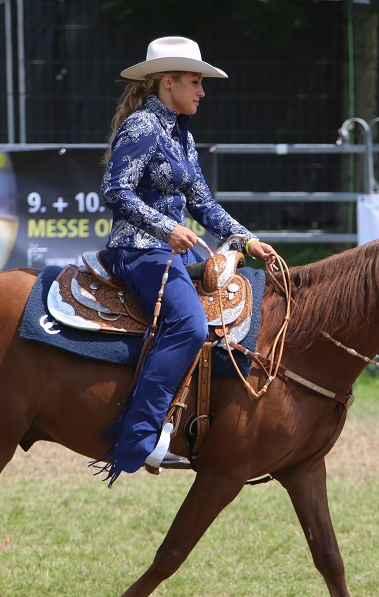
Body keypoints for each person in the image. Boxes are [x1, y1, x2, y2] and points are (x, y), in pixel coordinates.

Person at [98, 36, 278, 482]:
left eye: (200, 83)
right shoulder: (142, 126)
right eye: (194, 82)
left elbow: (203, 205)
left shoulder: (182, 133)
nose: (202, 91)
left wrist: (247, 240)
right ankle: (141, 439)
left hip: (165, 252)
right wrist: (165, 226)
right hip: (137, 251)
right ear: (167, 82)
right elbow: (114, 190)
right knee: (190, 324)